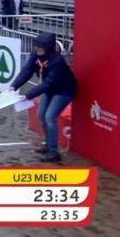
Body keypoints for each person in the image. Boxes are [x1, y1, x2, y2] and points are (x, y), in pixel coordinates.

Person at [10, 32, 77, 162]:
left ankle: (53, 151)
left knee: (50, 116)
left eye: (40, 47)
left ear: (48, 47)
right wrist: (14, 86)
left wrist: (28, 95)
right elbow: (27, 71)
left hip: (64, 90)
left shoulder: (57, 61)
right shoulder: (36, 55)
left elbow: (49, 82)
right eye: (37, 46)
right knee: (41, 115)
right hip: (50, 89)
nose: (37, 49)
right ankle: (47, 143)